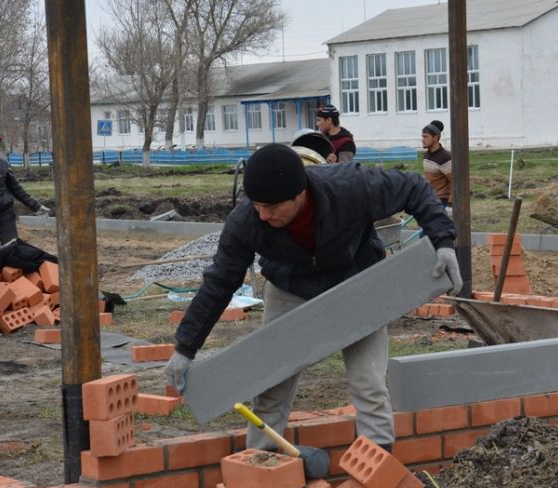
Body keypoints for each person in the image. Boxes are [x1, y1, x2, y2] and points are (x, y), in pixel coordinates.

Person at [165, 143, 460, 451]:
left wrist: (443, 241)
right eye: (258, 206)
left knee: (368, 383)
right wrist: (186, 346)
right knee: (270, 386)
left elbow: (414, 188)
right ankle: (261, 467)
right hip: (290, 289)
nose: (264, 215)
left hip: (358, 285)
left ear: (299, 193)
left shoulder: (351, 187)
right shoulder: (246, 221)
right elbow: (220, 281)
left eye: (273, 207)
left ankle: (378, 465)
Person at [421, 120, 453, 214]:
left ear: (435, 137)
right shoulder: (427, 155)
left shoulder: (445, 157)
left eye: (426, 137)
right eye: (422, 136)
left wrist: (450, 204)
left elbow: (455, 181)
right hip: (431, 199)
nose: (423, 139)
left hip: (442, 202)